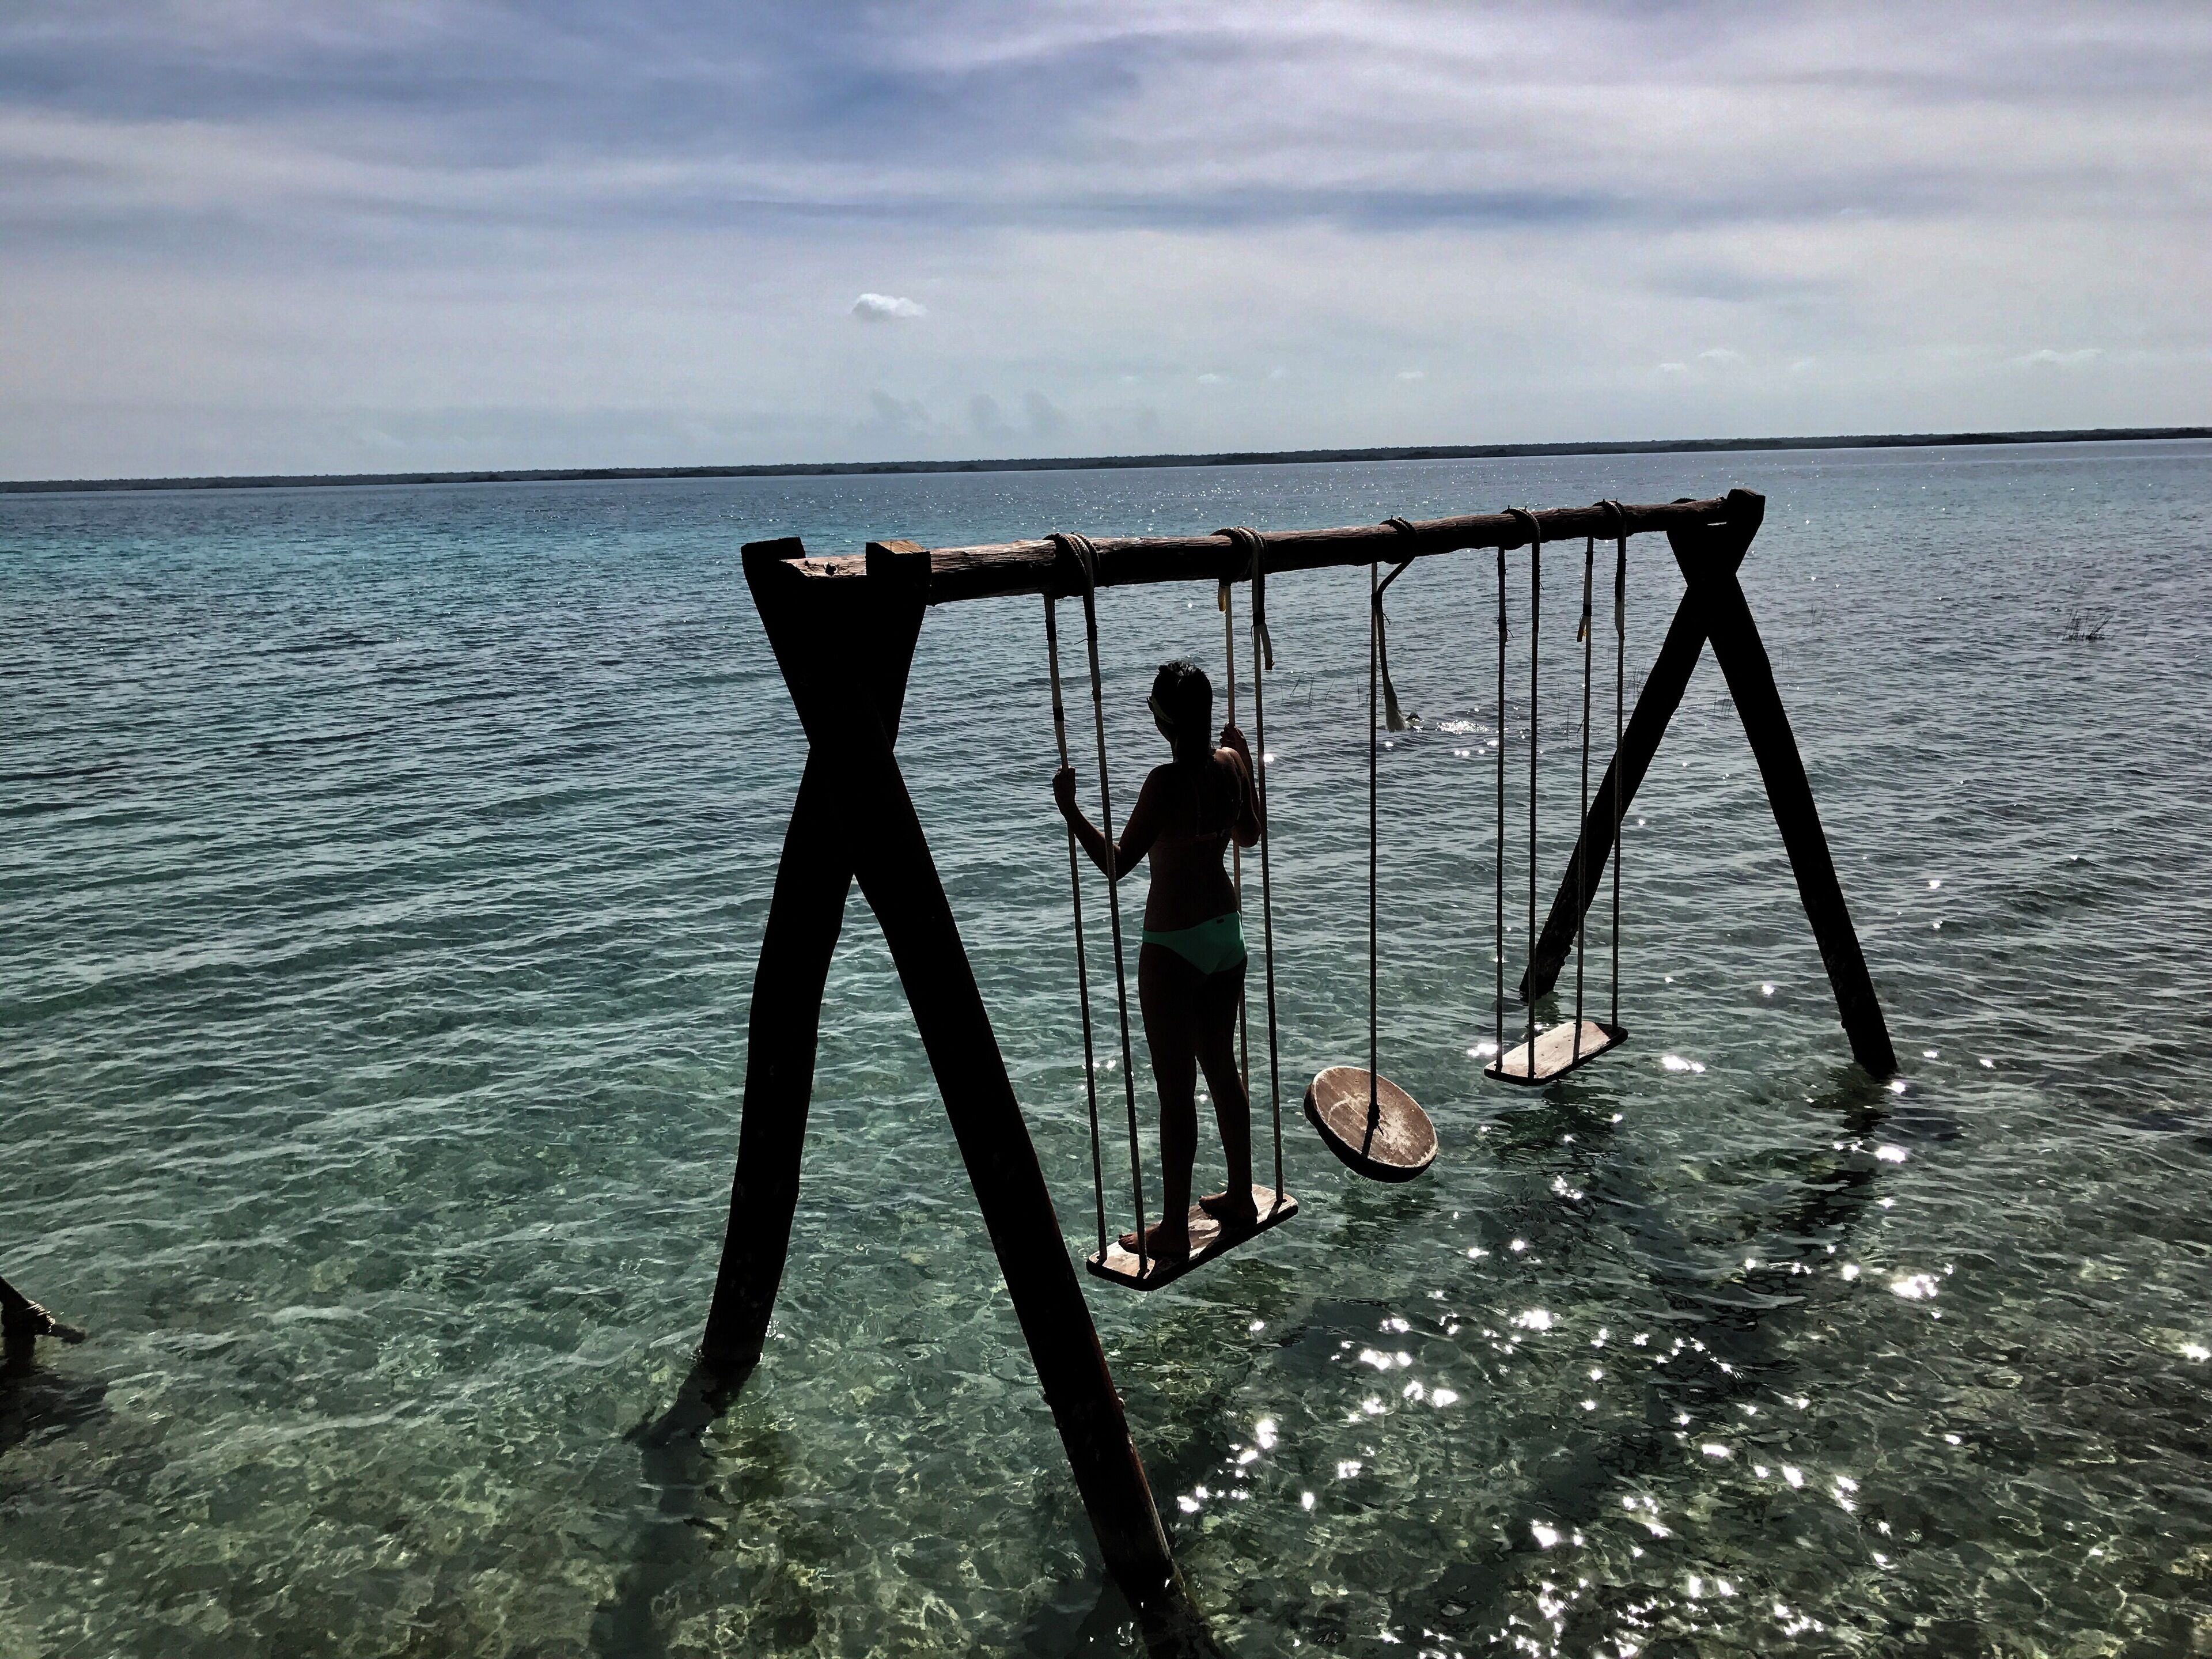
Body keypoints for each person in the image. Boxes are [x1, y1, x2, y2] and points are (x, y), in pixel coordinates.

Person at [1053, 658, 1263, 1264]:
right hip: (1226, 935)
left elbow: (1117, 864)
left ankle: (1173, 1230)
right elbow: (1249, 836)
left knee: (1176, 1092)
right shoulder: (1231, 764)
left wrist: (1071, 811)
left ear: (1162, 721)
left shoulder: (1164, 784)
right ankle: (1241, 1195)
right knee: (1222, 1069)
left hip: (1174, 946)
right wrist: (1246, 766)